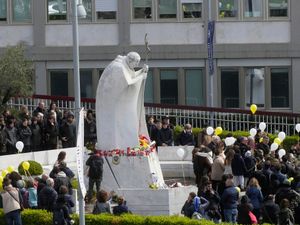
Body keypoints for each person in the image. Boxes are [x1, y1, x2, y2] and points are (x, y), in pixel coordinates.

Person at [95, 52, 149, 151]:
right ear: (129, 60)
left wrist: (142, 71)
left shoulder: (124, 65)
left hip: (116, 103)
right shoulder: (118, 68)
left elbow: (131, 77)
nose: (137, 65)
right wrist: (142, 76)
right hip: (111, 106)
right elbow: (128, 82)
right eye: (136, 63)